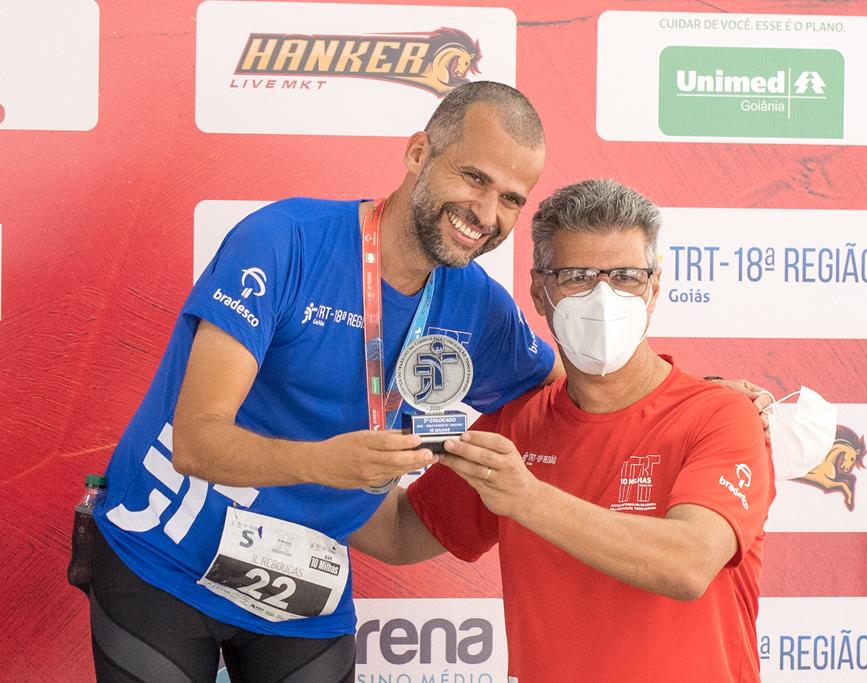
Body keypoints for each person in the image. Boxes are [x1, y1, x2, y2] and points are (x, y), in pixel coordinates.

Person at [89, 82, 557, 682]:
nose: (486, 215)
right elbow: (196, 442)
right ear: (418, 153)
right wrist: (327, 464)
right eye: (473, 178)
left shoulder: (479, 307)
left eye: (511, 199)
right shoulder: (285, 239)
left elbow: (567, 398)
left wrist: (502, 489)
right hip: (161, 555)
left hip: (301, 588)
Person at [352, 179, 775, 682]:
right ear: (539, 290)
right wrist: (292, 457)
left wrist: (527, 498)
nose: (603, 297)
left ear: (654, 288)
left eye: (626, 276)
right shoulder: (519, 422)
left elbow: (688, 564)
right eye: (577, 276)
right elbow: (401, 532)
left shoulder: (721, 415)